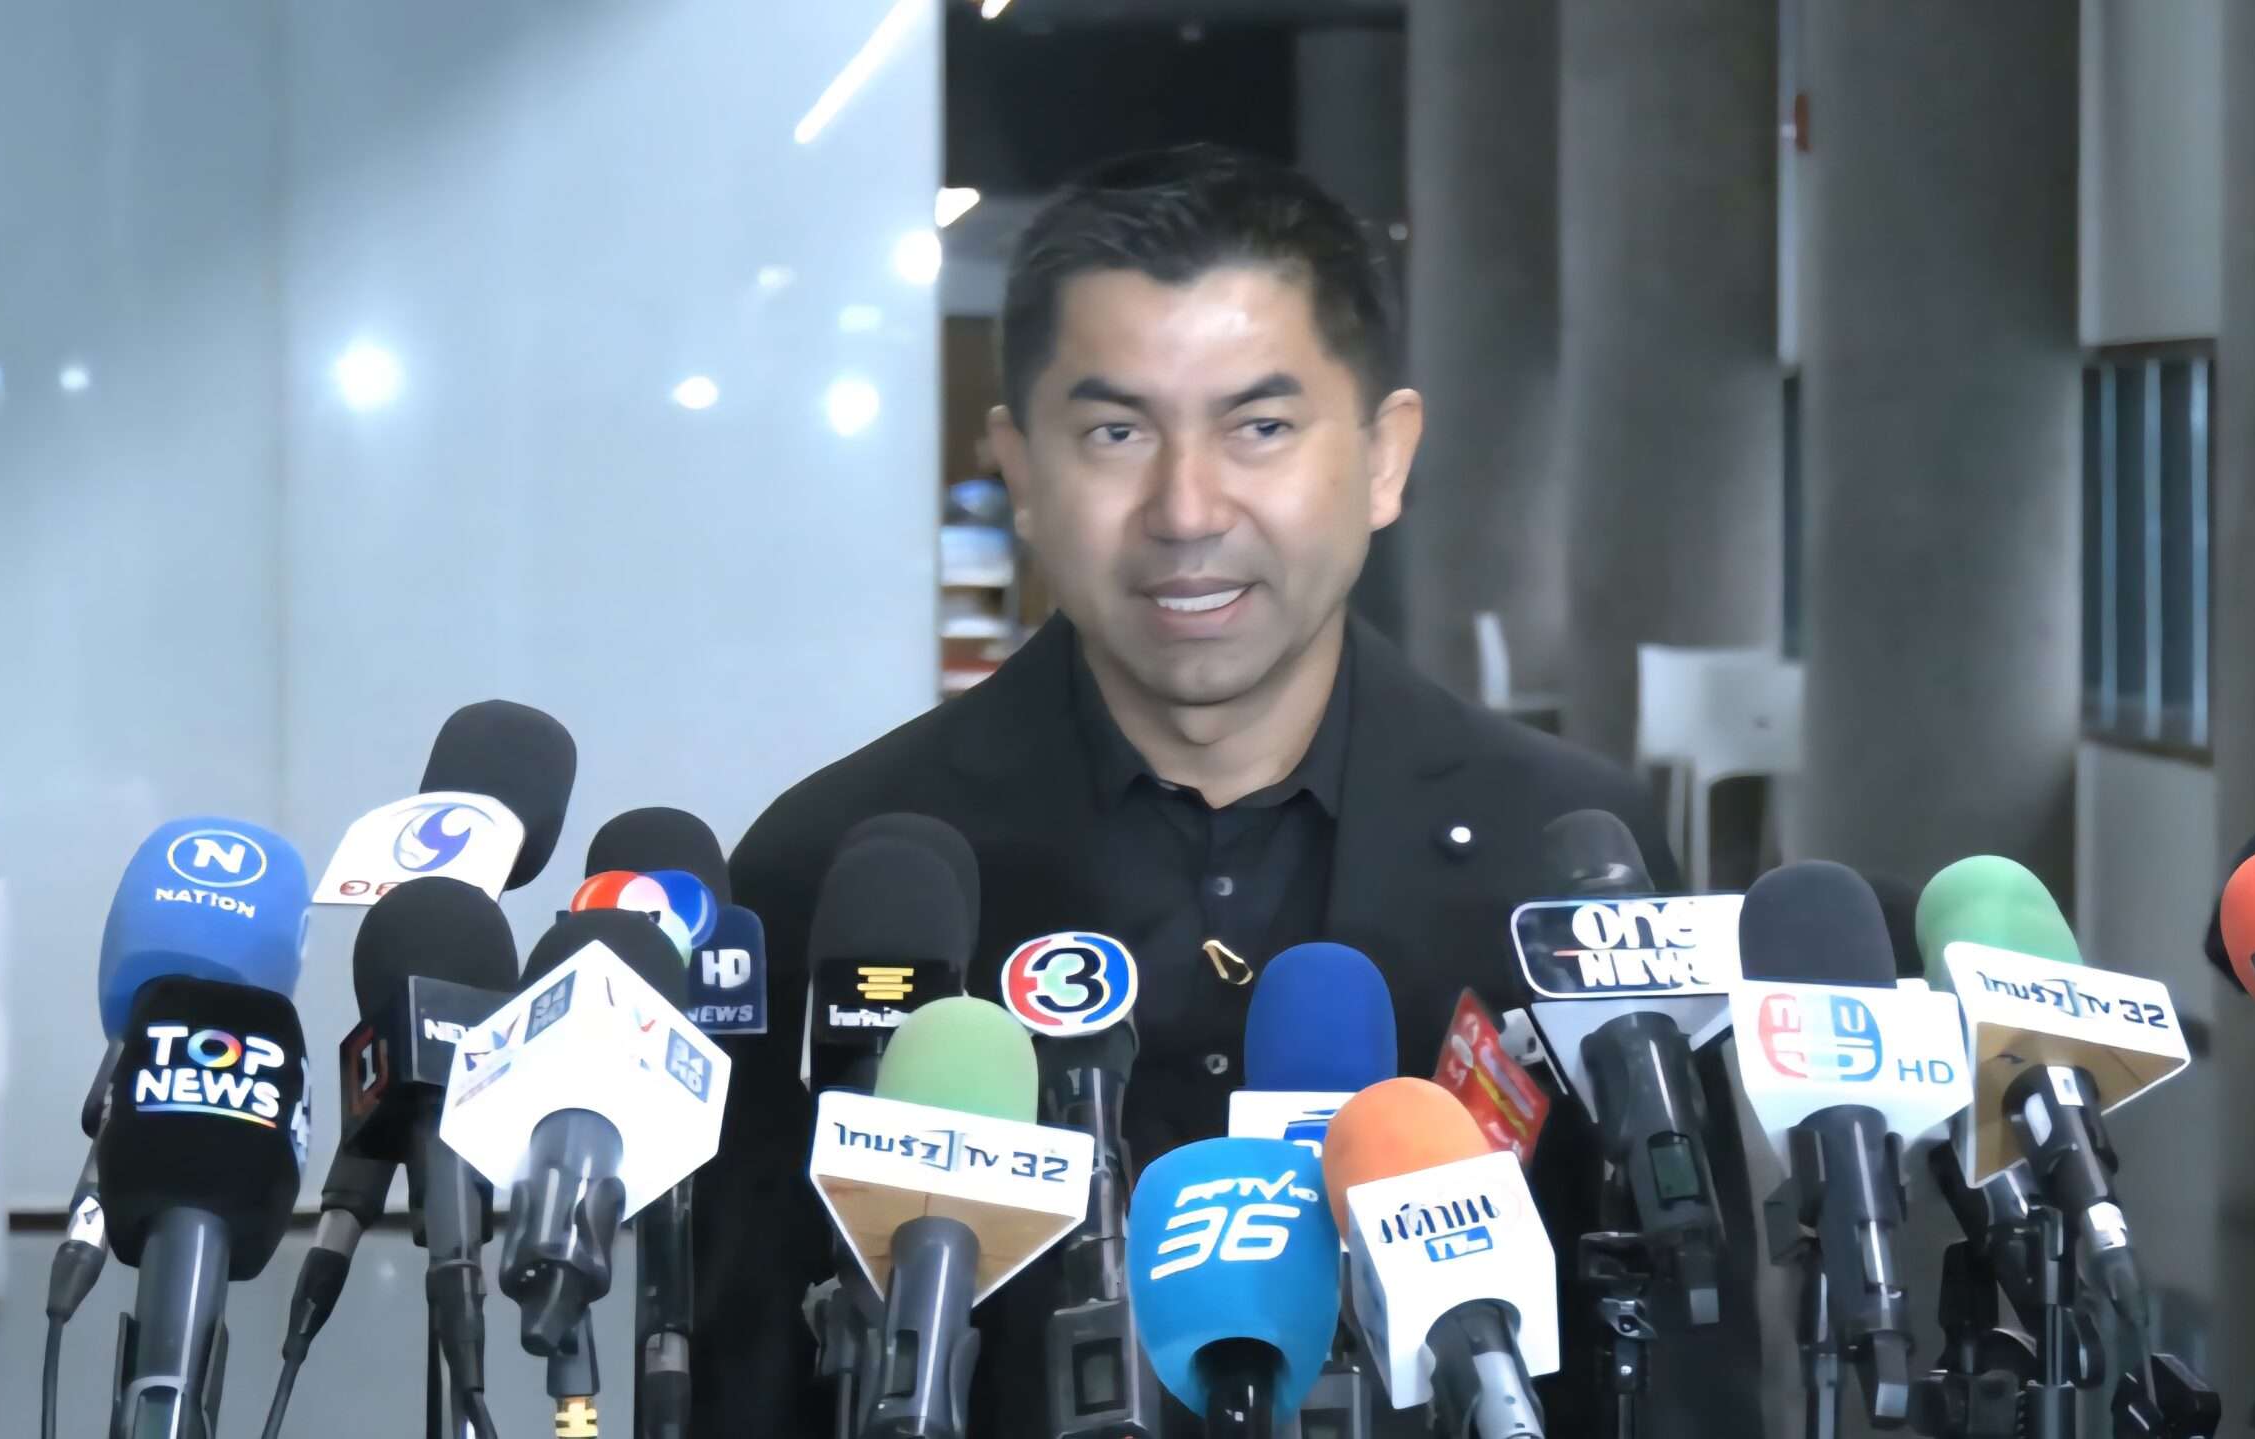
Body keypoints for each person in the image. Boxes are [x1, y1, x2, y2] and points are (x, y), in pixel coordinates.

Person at [695, 144, 1764, 1438]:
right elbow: (746, 1372)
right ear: (1021, 470)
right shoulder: (840, 871)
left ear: (1384, 457)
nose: (1187, 509)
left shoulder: (1566, 858)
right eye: (1116, 432)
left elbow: (1688, 1357)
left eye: (1260, 427)